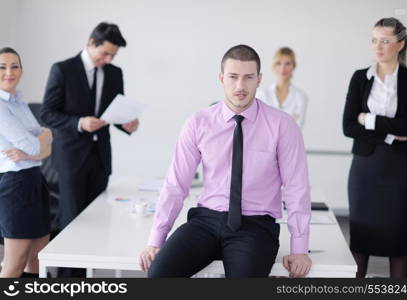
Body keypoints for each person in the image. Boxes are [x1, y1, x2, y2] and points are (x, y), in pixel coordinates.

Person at [140, 45, 312, 278]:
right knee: (159, 273)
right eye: (233, 77)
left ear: (259, 79)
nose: (240, 86)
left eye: (248, 77)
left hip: (256, 226)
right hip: (206, 221)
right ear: (221, 78)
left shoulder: (283, 125)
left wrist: (299, 248)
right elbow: (176, 183)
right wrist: (156, 238)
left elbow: (296, 188)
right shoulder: (198, 123)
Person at [40, 22, 139, 232]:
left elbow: (114, 112)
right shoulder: (63, 70)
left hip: (100, 158)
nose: (108, 60)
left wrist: (127, 124)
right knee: (72, 223)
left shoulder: (114, 73)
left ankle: (88, 267)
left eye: (113, 55)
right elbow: (47, 113)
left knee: (98, 222)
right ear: (91, 43)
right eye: (105, 54)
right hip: (70, 159)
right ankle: (68, 267)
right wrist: (79, 123)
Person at [343, 17, 407, 278]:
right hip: (365, 170)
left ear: (400, 44)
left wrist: (370, 120)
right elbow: (348, 127)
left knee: (399, 245)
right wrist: (389, 134)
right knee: (360, 242)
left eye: (385, 41)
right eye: (374, 40)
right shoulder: (359, 78)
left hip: (399, 172)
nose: (378, 46)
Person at [0, 47, 53, 278]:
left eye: (14, 66)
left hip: (34, 180)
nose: (9, 72)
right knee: (15, 261)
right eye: (2, 67)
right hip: (15, 185)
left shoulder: (18, 102)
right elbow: (36, 145)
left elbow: (46, 141)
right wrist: (41, 142)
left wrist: (40, 142)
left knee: (38, 259)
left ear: (21, 70)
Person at [256, 47, 308, 128]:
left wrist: (271, 121)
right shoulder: (262, 94)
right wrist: (289, 120)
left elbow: (297, 126)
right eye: (279, 63)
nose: (283, 68)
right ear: (274, 66)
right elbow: (260, 124)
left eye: (287, 63)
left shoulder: (301, 96)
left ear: (293, 66)